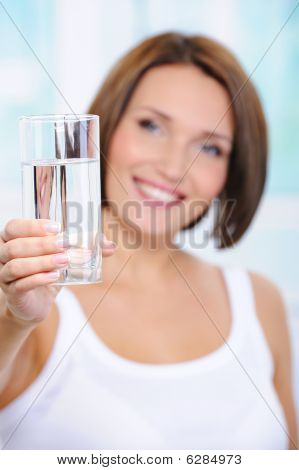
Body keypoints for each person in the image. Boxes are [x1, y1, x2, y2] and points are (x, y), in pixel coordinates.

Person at [0, 32, 297, 450]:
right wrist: (15, 321)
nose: (174, 166)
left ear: (232, 172)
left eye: (210, 147)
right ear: (105, 127)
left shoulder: (258, 302)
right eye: (152, 126)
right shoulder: (24, 298)